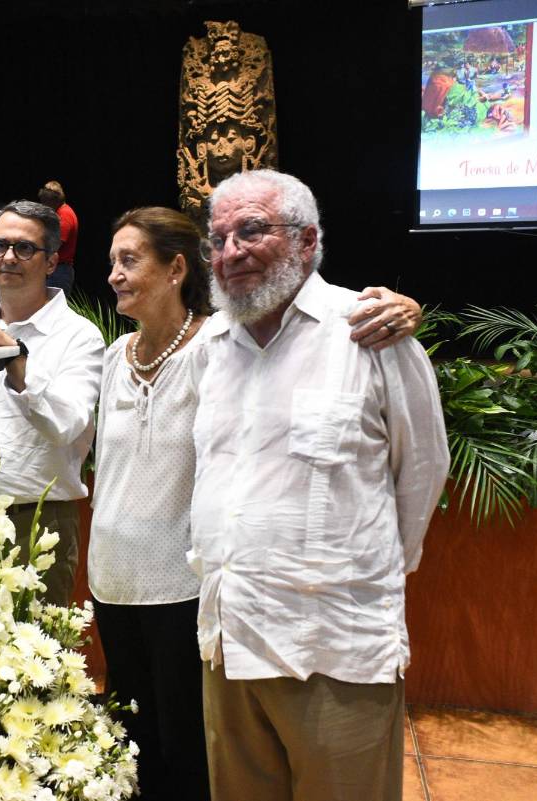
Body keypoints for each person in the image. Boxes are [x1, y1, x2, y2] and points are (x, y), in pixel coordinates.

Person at [90, 208, 422, 801]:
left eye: (129, 259)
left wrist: (401, 308)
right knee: (133, 739)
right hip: (111, 576)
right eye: (111, 261)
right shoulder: (115, 356)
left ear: (176, 269)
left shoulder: (219, 347)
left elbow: (417, 467)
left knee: (190, 749)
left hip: (185, 582)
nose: (114, 273)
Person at [189, 169, 450, 801]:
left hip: (332, 644)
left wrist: (364, 571)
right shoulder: (212, 347)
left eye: (251, 230)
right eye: (218, 239)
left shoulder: (369, 332)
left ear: (308, 241)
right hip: (229, 642)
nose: (231, 252)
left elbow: (422, 469)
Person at [0, 199, 104, 606]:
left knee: (33, 667)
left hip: (37, 521)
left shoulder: (79, 336)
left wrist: (16, 358)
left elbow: (67, 425)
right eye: (0, 245)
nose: (9, 257)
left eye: (24, 248)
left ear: (51, 262)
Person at [37, 181, 78, 293]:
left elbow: (55, 244)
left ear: (53, 201)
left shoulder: (65, 215)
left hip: (60, 271)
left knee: (51, 308)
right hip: (58, 269)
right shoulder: (61, 212)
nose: (44, 206)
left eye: (45, 202)